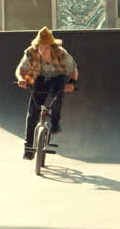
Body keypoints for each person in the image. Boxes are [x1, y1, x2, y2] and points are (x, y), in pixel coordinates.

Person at [15, 27, 79, 160]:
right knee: (33, 111)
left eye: (46, 48)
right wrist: (21, 79)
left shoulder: (62, 54)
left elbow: (74, 70)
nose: (42, 51)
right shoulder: (31, 52)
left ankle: (54, 123)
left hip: (58, 77)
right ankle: (28, 148)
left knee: (57, 96)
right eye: (40, 47)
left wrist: (72, 83)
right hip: (38, 76)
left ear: (52, 47)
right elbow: (19, 70)